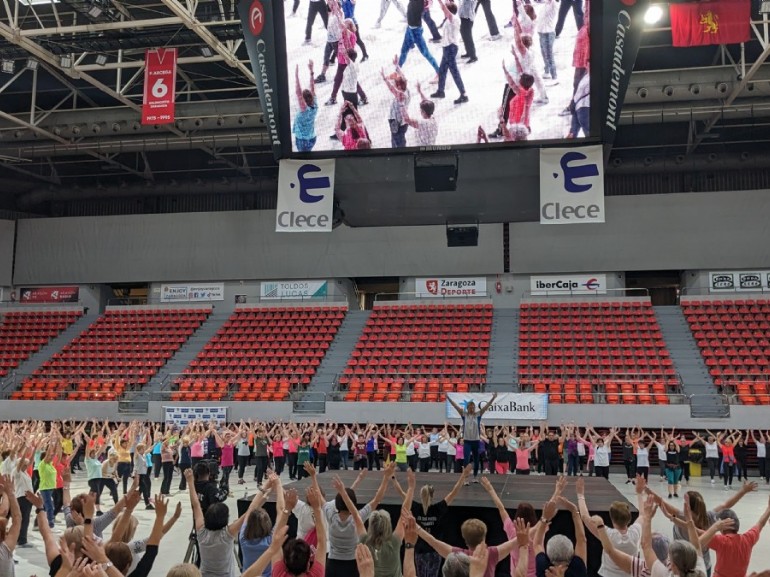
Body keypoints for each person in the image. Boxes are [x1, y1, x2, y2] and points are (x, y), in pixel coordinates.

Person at [186, 468, 272, 577]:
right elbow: (250, 511)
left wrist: (190, 482)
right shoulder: (227, 534)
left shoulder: (201, 532)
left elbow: (196, 504)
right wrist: (264, 490)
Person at [392, 466, 470, 577]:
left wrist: (392, 477)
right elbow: (453, 492)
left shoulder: (415, 507)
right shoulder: (438, 509)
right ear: (432, 496)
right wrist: (463, 476)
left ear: (421, 495)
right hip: (434, 551)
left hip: (419, 551)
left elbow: (401, 493)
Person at [323, 463, 394, 577]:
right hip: (353, 564)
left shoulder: (331, 516)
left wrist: (313, 477)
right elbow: (377, 499)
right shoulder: (358, 518)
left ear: (336, 503)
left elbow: (320, 499)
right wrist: (386, 478)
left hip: (333, 564)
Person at [578, 475, 643, 577]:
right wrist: (639, 493)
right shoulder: (635, 532)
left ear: (612, 519)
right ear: (629, 518)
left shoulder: (607, 534)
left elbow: (585, 516)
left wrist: (580, 495)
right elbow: (643, 515)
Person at [700, 495, 770, 577]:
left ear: (723, 525)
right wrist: (769, 509)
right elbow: (760, 523)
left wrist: (686, 522)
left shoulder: (721, 541)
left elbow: (698, 536)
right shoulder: (748, 539)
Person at [447, 392, 498, 483]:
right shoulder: (464, 415)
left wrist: (493, 398)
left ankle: (475, 476)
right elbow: (455, 406)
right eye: (470, 408)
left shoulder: (478, 415)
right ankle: (465, 478)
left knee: (476, 459)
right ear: (467, 408)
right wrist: (448, 398)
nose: (472, 409)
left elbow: (486, 407)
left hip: (476, 441)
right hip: (467, 441)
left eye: (473, 407)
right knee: (466, 459)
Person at [534, 496, 587, 577]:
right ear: (572, 552)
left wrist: (545, 518)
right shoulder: (578, 568)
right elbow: (581, 539)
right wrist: (575, 511)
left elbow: (537, 543)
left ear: (548, 555)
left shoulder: (544, 569)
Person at [430, 0, 468, 104]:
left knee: (454, 72)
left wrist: (440, 2)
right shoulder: (447, 20)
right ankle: (440, 91)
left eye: (446, 10)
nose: (443, 12)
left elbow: (444, 9)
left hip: (451, 48)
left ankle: (463, 94)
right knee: (442, 70)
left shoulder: (454, 19)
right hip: (447, 48)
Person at [398, 0, 441, 74]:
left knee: (425, 53)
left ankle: (439, 72)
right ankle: (397, 71)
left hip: (415, 31)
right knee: (404, 50)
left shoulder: (419, 2)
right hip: (410, 28)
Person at [382, 60, 411, 148]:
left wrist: (384, 78)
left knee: (397, 140)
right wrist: (397, 65)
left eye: (395, 83)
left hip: (396, 121)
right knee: (397, 139)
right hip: (402, 121)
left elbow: (392, 89)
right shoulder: (406, 90)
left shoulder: (401, 94)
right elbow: (403, 77)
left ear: (399, 86)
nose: (393, 83)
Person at [293, 61, 318, 152]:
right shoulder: (315, 106)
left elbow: (298, 92)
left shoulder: (304, 109)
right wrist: (311, 71)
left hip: (303, 140)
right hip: (312, 138)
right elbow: (312, 88)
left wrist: (296, 76)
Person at [537, 0, 558, 82]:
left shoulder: (553, 4)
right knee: (543, 53)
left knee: (549, 55)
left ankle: (554, 76)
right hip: (542, 32)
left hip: (548, 33)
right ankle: (547, 71)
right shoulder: (546, 4)